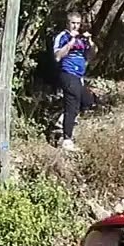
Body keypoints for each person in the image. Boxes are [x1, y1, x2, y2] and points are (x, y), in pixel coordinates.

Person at [52, 11, 97, 152]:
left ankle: (62, 120)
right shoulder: (63, 36)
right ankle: (67, 140)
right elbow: (57, 56)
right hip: (67, 74)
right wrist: (70, 43)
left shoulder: (82, 38)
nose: (75, 26)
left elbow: (92, 55)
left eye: (78, 23)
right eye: (73, 23)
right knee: (73, 102)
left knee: (88, 101)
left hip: (79, 76)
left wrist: (90, 42)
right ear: (68, 23)